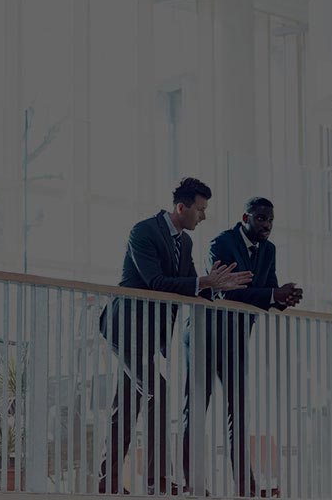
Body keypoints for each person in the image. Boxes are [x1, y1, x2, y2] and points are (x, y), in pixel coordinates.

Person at [97, 178, 252, 494]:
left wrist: (216, 288)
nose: (203, 216)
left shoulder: (186, 242)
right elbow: (155, 281)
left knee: (126, 404)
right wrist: (206, 282)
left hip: (148, 336)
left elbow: (191, 285)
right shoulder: (144, 232)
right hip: (124, 327)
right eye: (200, 209)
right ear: (181, 207)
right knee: (159, 390)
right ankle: (158, 480)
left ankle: (107, 483)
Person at [182, 196, 302, 497]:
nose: (267, 225)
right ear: (245, 217)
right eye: (261, 218)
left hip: (235, 338)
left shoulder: (269, 250)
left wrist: (282, 298)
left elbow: (265, 292)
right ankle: (194, 485)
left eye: (271, 220)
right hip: (205, 336)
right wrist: (271, 293)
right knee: (196, 411)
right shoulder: (221, 243)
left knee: (239, 412)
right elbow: (226, 293)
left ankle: (245, 488)